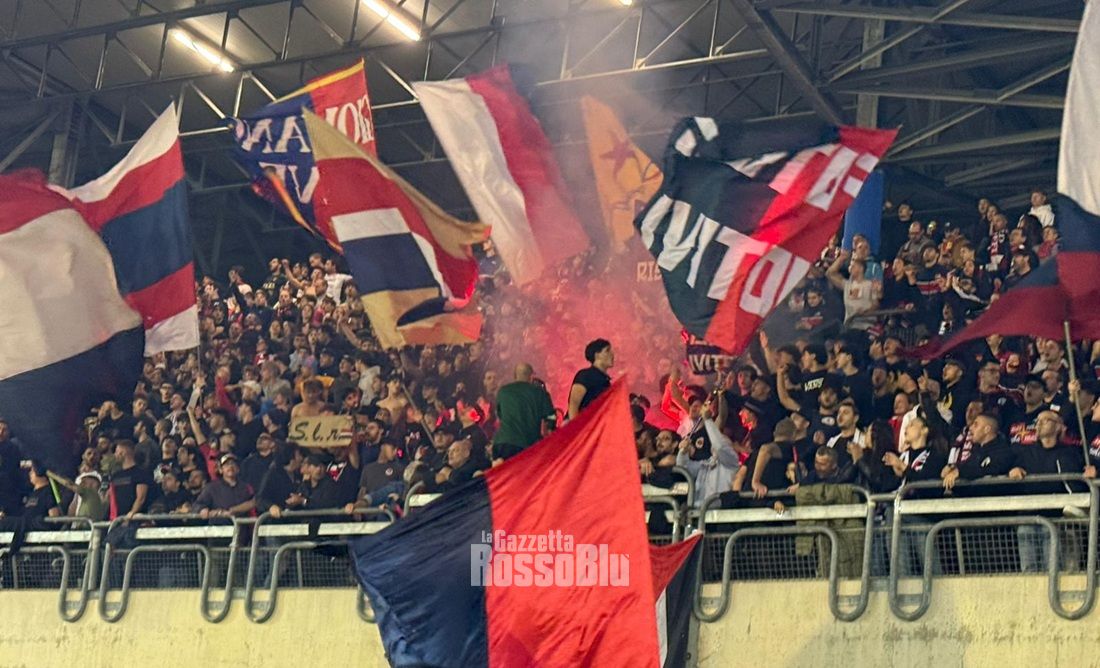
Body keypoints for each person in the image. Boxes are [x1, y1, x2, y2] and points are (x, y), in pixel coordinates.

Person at [493, 363, 556, 461]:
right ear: (531, 376)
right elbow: (551, 417)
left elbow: (499, 415)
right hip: (526, 444)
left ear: (515, 376)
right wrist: (550, 430)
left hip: (502, 443)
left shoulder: (503, 391)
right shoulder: (540, 393)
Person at [192, 453, 256, 519]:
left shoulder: (246, 487)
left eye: (233, 464)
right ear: (220, 470)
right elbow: (197, 505)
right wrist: (202, 509)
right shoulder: (211, 487)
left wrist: (233, 510)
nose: (230, 466)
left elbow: (254, 502)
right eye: (226, 465)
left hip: (241, 524)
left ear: (238, 469)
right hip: (219, 525)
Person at [567, 338, 614, 420]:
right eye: (607, 350)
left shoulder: (606, 381)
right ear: (597, 355)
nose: (612, 354)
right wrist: (576, 425)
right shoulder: (585, 375)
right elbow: (574, 404)